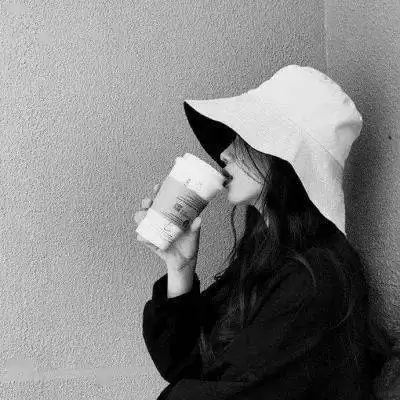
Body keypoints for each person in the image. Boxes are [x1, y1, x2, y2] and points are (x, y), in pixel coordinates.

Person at [135, 65, 384, 399]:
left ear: (285, 157)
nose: (225, 153)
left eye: (245, 136)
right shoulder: (265, 256)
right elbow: (184, 364)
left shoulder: (316, 275)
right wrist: (179, 267)